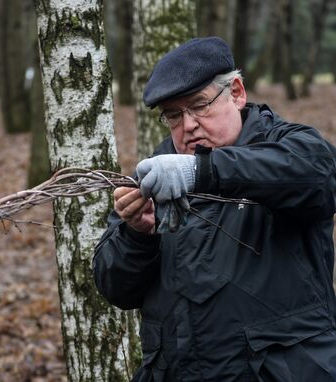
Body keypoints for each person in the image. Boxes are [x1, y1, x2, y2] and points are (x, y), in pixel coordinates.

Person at [93, 36, 336, 381]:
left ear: (236, 93)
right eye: (174, 115)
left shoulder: (290, 146)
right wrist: (137, 234)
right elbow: (115, 288)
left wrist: (202, 172)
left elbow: (316, 177)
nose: (188, 125)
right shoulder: (157, 175)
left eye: (199, 105)